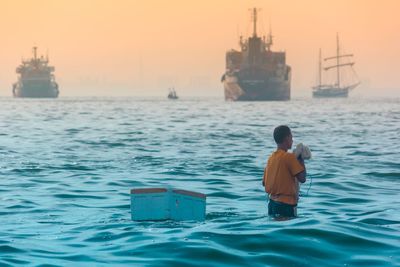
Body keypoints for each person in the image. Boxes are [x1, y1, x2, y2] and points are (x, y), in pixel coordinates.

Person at [262, 125, 306, 218]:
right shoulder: (289, 157)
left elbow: (263, 183)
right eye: (291, 137)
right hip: (286, 206)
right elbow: (302, 179)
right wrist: (301, 159)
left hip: (272, 204)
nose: (292, 140)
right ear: (286, 138)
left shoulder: (271, 158)